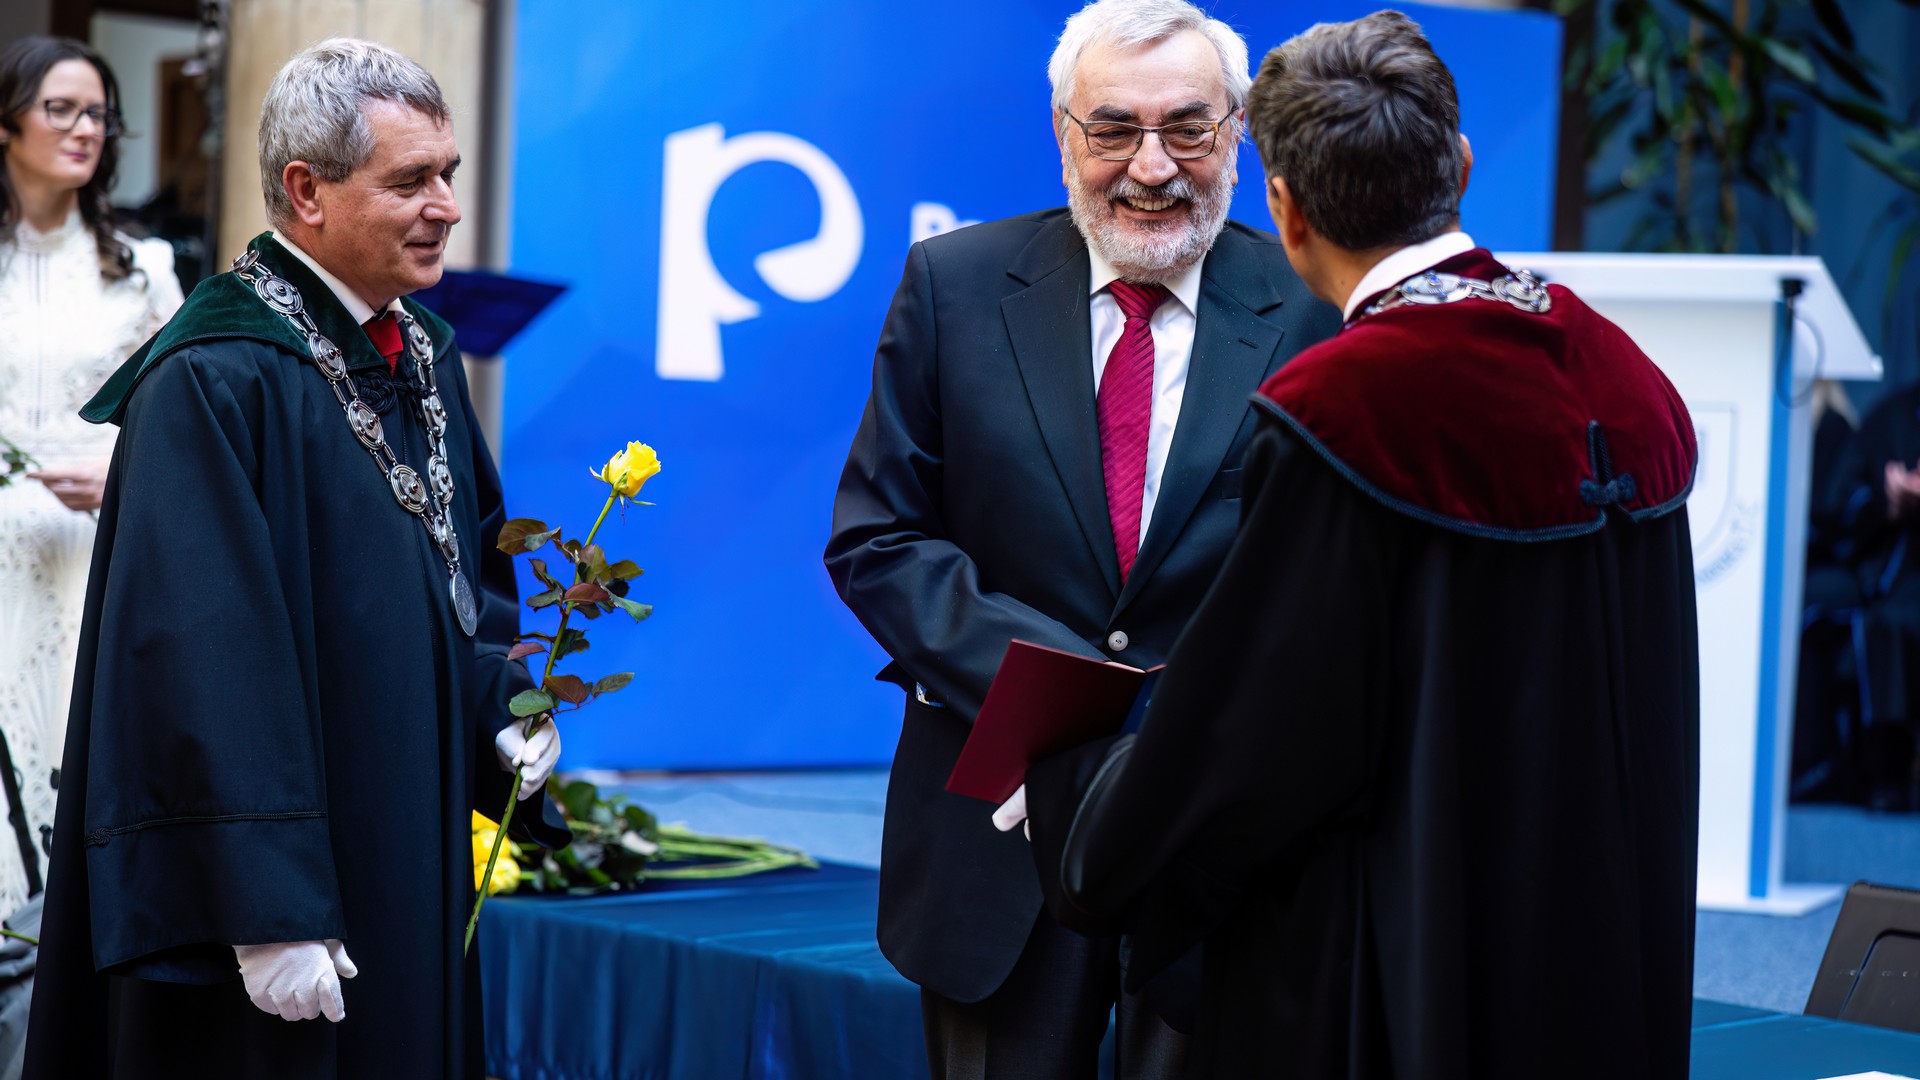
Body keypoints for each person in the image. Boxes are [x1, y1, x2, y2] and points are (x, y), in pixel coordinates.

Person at [1014, 12, 1701, 1078]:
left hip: (1408, 956)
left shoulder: (1344, 411)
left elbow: (1251, 747)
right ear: (1459, 165)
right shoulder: (1621, 372)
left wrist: (1085, 811)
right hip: (1594, 942)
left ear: (1283, 209)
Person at [24, 38, 567, 1079]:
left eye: (449, 173)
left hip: (404, 848)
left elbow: (459, 582)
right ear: (307, 191)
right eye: (411, 181)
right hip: (276, 909)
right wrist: (264, 903)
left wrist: (499, 707)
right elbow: (196, 663)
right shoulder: (212, 377)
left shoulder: (424, 354)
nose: (448, 207)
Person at [823, 1, 1338, 1075]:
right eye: (1114, 129)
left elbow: (1331, 577)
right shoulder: (955, 285)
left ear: (1238, 133)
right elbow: (879, 538)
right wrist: (1067, 694)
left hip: (1221, 844)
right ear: (1065, 134)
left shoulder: (1312, 313)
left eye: (1187, 128)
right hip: (998, 840)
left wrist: (1177, 724)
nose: (1152, 167)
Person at [0, 36, 183, 920]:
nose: (84, 129)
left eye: (99, 115)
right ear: (7, 123)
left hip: (91, 553)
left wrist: (122, 471)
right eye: (61, 109)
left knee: (75, 763)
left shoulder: (145, 269)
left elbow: (185, 415)